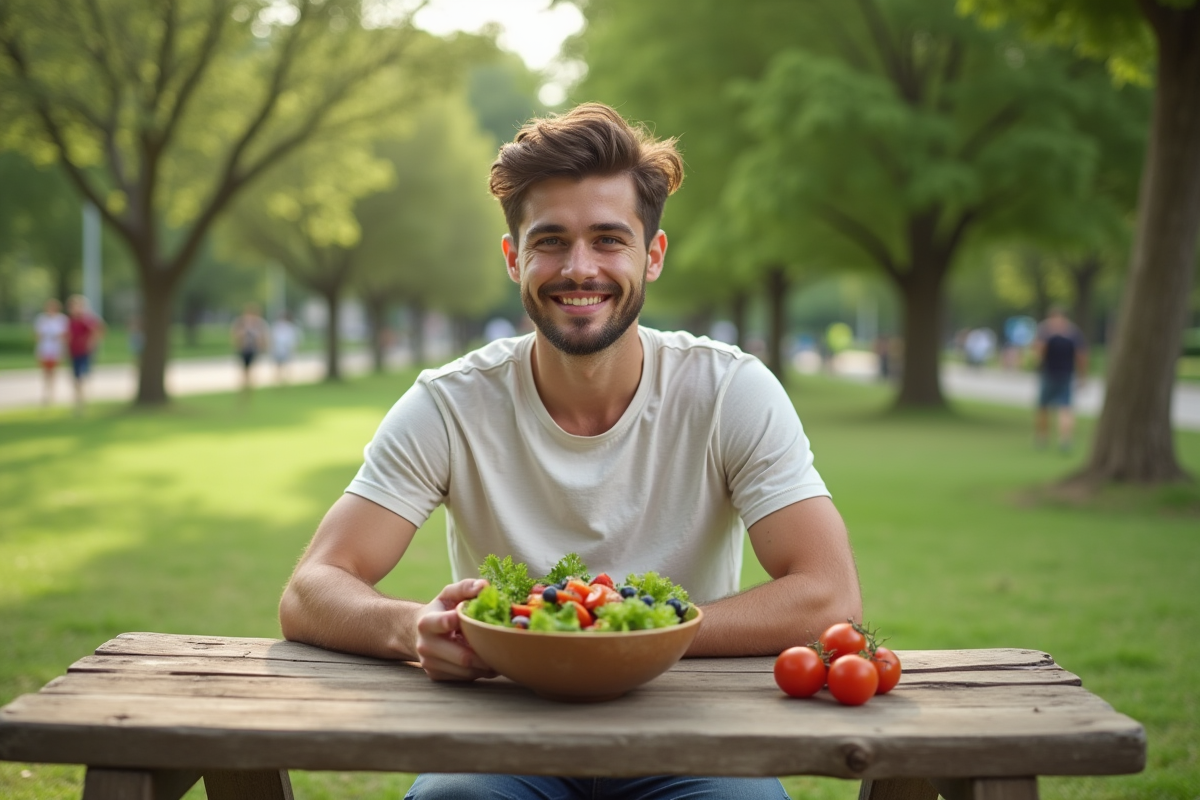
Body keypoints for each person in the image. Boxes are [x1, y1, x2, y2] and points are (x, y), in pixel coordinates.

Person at [279, 104, 861, 800]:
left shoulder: (729, 390)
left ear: (653, 255)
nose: (579, 269)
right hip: (504, 729)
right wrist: (413, 629)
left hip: (689, 724)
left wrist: (636, 639)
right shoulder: (450, 402)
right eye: (550, 241)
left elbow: (829, 592)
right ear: (513, 258)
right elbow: (311, 588)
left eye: (609, 240)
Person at [1034, 307, 1088, 451]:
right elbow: (1081, 356)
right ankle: (1064, 440)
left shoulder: (1046, 332)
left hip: (1052, 374)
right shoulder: (1073, 333)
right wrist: (1082, 375)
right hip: (1063, 374)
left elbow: (1039, 353)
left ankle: (1044, 438)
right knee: (1063, 408)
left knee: (1047, 407)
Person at [66, 295, 106, 414]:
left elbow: (99, 330)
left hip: (84, 353)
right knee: (76, 378)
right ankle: (79, 401)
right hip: (74, 352)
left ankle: (81, 403)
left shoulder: (87, 320)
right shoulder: (71, 321)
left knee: (81, 378)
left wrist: (92, 345)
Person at [33, 298, 69, 406]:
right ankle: (45, 393)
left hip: (56, 350)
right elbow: (37, 335)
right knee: (45, 372)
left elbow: (64, 336)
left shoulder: (62, 319)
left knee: (53, 372)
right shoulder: (41, 319)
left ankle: (52, 394)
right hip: (44, 349)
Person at [230, 304, 270, 395]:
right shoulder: (241, 323)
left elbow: (264, 337)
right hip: (243, 349)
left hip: (254, 350)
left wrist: (263, 346)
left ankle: (249, 388)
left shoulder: (260, 324)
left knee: (252, 370)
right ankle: (245, 387)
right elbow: (234, 335)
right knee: (244, 370)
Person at [270, 311, 301, 384]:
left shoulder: (290, 327)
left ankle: (286, 379)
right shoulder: (276, 326)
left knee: (286, 364)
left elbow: (293, 338)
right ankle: (279, 379)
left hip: (287, 349)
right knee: (279, 365)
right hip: (278, 348)